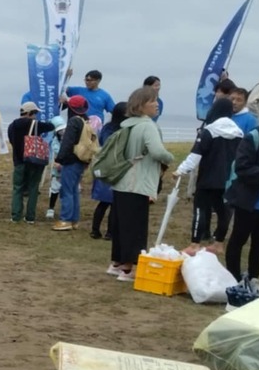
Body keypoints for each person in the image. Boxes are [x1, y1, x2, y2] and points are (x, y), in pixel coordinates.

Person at [107, 88, 173, 281]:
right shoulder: (147, 126)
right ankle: (127, 269)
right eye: (153, 101)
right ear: (141, 105)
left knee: (120, 225)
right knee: (134, 227)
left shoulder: (126, 125)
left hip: (122, 180)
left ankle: (116, 263)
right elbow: (157, 151)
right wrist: (169, 158)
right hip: (138, 182)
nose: (157, 105)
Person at [173, 98, 242, 255]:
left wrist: (180, 170)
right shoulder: (239, 132)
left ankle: (194, 244)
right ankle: (219, 243)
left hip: (208, 178)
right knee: (223, 212)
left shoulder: (209, 130)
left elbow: (195, 155)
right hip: (228, 180)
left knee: (200, 209)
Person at [222, 120, 259, 299]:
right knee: (239, 239)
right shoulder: (254, 137)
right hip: (248, 201)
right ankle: (234, 277)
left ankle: (254, 277)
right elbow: (242, 167)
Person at [7, 101, 57, 223]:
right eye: (35, 113)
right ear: (30, 113)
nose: (35, 116)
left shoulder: (11, 126)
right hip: (33, 161)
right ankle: (30, 217)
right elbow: (51, 126)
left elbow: (12, 141)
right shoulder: (35, 124)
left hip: (18, 161)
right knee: (33, 187)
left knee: (17, 188)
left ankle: (16, 216)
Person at [90, 102, 128, 239]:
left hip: (104, 167)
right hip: (114, 169)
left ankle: (96, 230)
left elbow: (102, 142)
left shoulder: (107, 127)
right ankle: (109, 232)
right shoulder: (122, 130)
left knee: (104, 202)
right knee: (113, 203)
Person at [52, 94, 90, 231]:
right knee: (74, 190)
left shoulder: (73, 122)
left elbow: (67, 143)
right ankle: (74, 219)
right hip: (81, 159)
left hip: (71, 160)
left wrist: (59, 159)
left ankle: (66, 219)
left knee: (66, 190)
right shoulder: (85, 121)